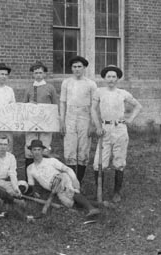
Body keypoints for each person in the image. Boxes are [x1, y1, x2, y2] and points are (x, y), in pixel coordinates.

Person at [91, 65, 142, 203]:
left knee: (119, 161)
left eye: (114, 76)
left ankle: (117, 192)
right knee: (99, 163)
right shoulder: (99, 92)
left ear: (118, 78)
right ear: (104, 78)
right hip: (105, 129)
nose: (111, 79)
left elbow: (138, 106)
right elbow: (94, 110)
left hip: (120, 129)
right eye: (109, 76)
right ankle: (99, 190)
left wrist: (130, 118)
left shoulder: (123, 93)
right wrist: (97, 126)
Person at [26, 140, 100, 217]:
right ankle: (102, 204)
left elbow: (68, 169)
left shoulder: (51, 161)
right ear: (31, 151)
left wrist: (75, 180)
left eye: (39, 150)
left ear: (42, 151)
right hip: (54, 189)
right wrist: (34, 192)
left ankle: (91, 209)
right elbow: (31, 185)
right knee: (70, 203)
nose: (37, 152)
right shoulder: (30, 168)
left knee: (70, 192)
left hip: (62, 179)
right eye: (34, 150)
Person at [60, 56, 97, 184]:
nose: (77, 69)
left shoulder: (91, 84)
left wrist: (92, 124)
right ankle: (71, 180)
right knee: (70, 148)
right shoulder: (66, 82)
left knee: (83, 149)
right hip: (70, 116)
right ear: (71, 68)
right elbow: (63, 103)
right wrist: (62, 121)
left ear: (84, 68)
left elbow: (94, 105)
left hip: (85, 117)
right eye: (74, 67)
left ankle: (79, 181)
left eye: (79, 67)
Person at [24, 61, 59, 179]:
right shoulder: (29, 88)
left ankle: (45, 176)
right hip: (31, 122)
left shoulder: (50, 88)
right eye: (36, 73)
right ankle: (30, 177)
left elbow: (55, 105)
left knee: (44, 147)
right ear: (33, 75)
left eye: (40, 73)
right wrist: (30, 104)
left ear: (44, 74)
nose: (38, 75)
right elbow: (23, 106)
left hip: (46, 122)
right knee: (30, 147)